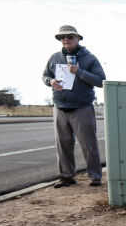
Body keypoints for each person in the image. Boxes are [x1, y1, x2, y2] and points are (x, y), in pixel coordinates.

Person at [42, 24, 105, 188]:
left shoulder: (89, 58)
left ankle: (95, 176)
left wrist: (80, 72)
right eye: (62, 37)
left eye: (70, 37)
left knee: (88, 144)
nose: (66, 40)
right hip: (60, 107)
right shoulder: (54, 58)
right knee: (63, 145)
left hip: (82, 107)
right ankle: (66, 177)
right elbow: (45, 76)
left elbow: (100, 81)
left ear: (78, 38)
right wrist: (51, 81)